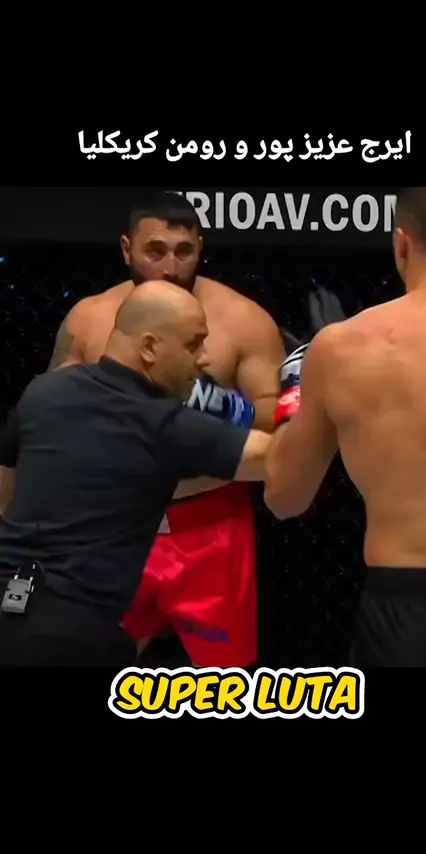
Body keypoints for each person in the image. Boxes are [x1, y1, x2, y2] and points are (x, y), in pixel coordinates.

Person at [46, 190, 286, 668]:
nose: (171, 267)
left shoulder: (242, 320)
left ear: (201, 248)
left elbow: (277, 419)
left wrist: (214, 402)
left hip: (209, 522)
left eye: (184, 251)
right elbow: (52, 414)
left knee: (227, 680)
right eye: (155, 251)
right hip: (110, 523)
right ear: (126, 249)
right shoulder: (89, 318)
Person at [0, 282, 271, 667]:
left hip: (13, 595)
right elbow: (277, 461)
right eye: (194, 345)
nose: (204, 359)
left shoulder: (42, 393)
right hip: (72, 631)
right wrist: (301, 395)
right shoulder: (164, 423)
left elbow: (5, 493)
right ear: (148, 347)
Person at [264, 187, 426, 667]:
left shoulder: (343, 349)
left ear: (402, 244)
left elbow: (284, 496)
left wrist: (294, 390)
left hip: (404, 611)